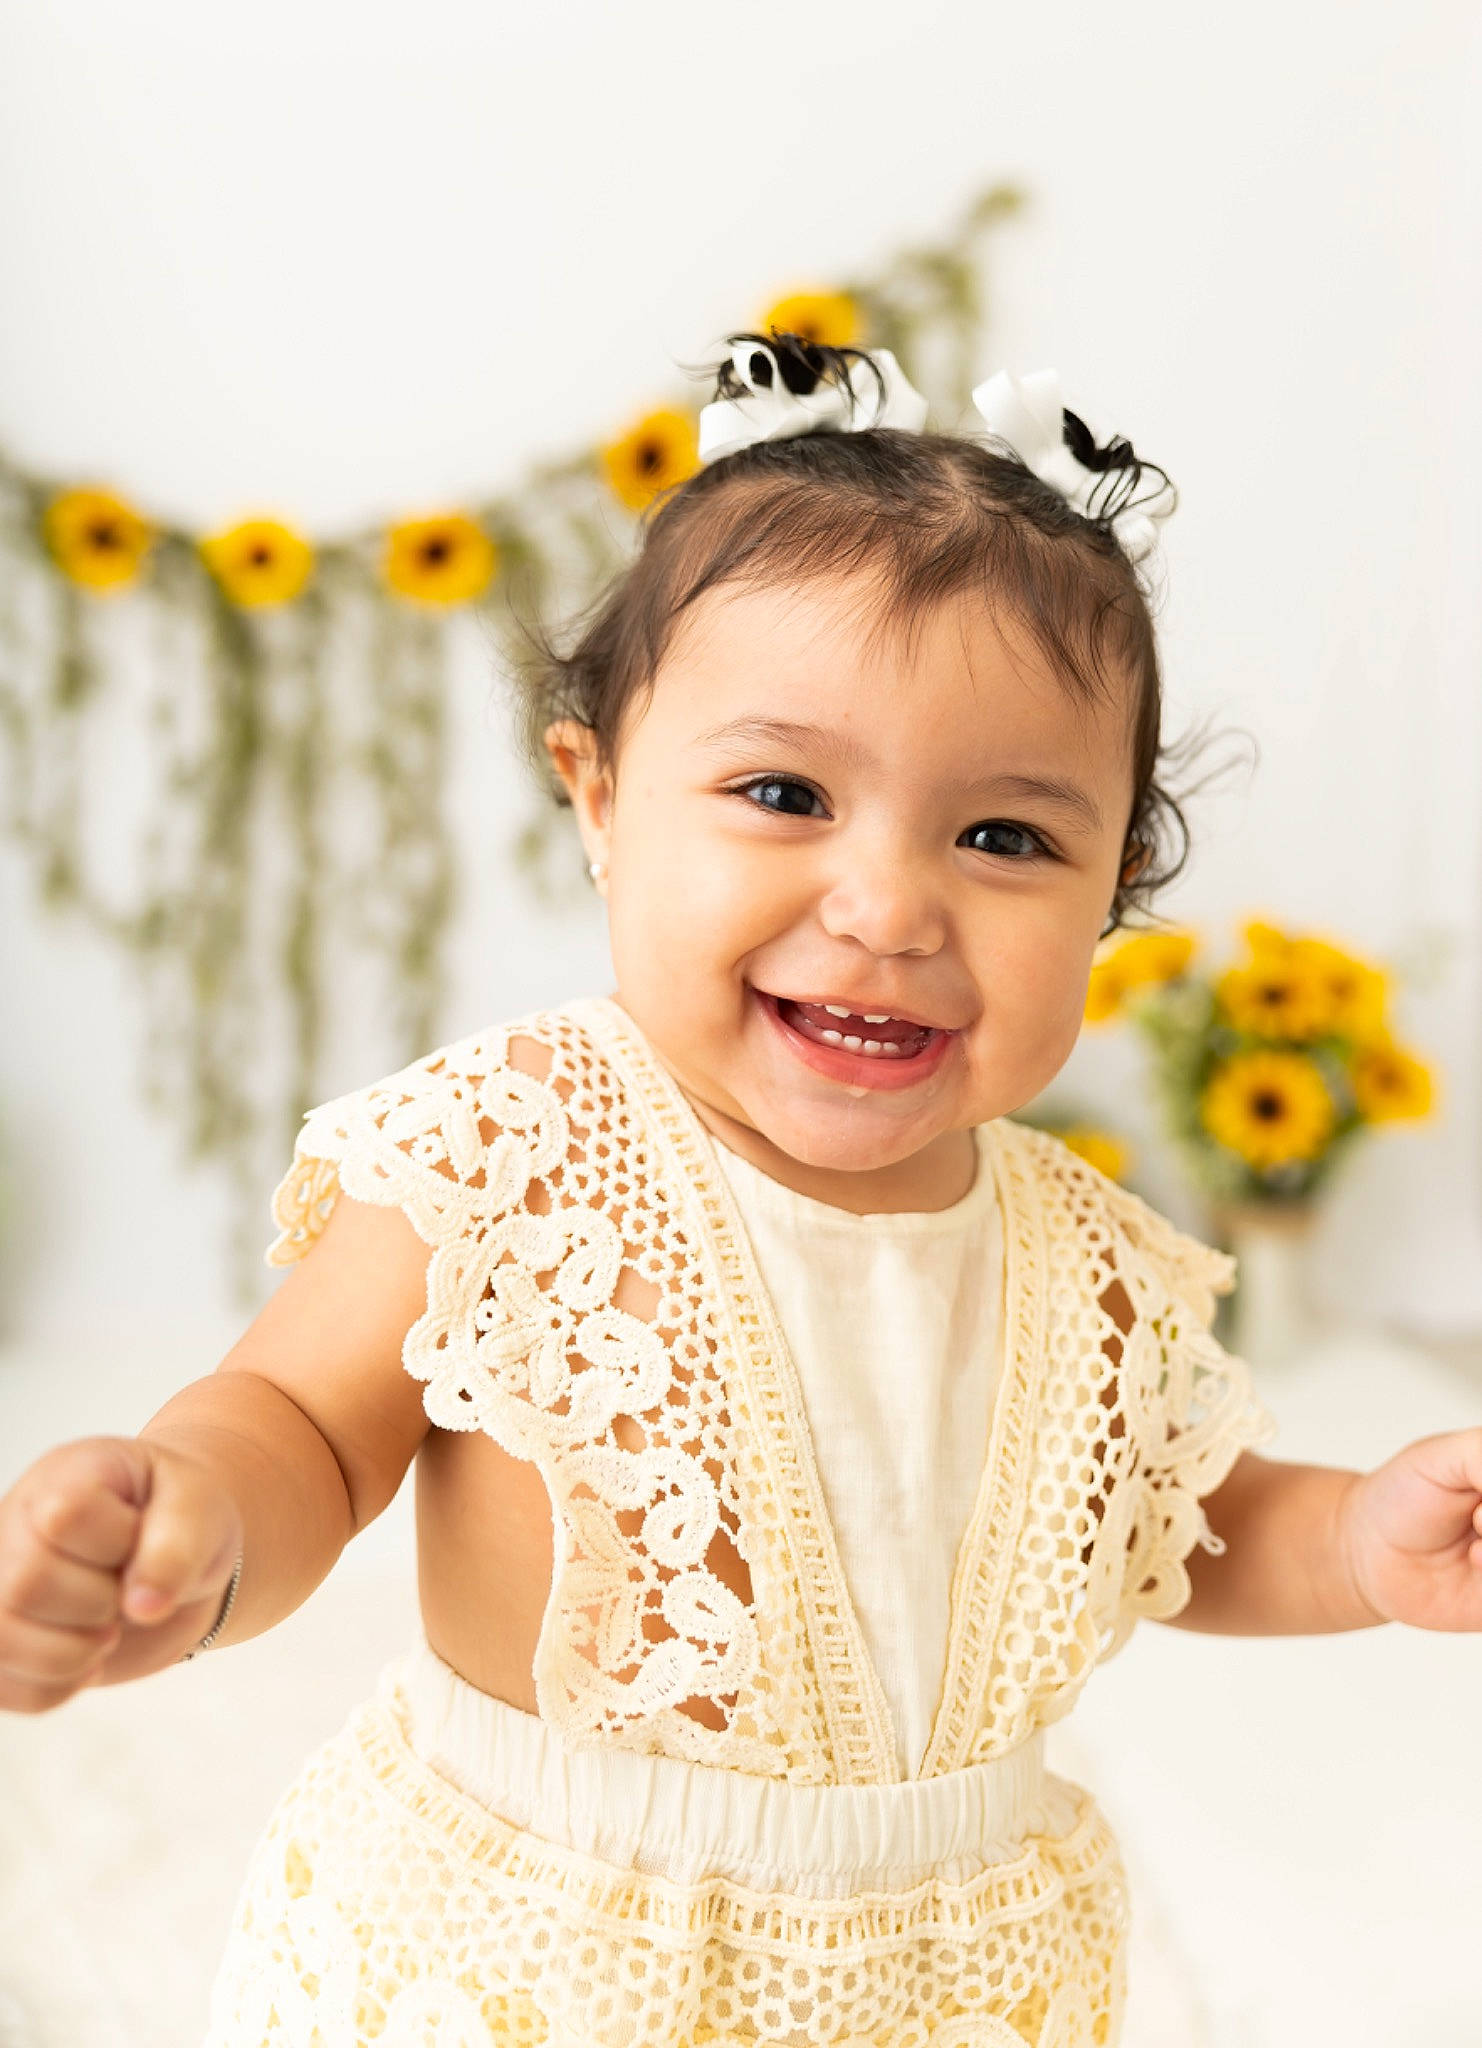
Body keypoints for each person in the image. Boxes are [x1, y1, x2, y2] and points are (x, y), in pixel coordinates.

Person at [2, 335, 1480, 2048]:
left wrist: (1362, 1538)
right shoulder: (524, 1145)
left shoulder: (1083, 1256)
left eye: (1003, 838)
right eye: (782, 794)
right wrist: (191, 1516)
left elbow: (1180, 1520)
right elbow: (303, 1428)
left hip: (951, 1982)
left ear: (1114, 891)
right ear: (603, 799)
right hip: (536, 1966)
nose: (886, 907)